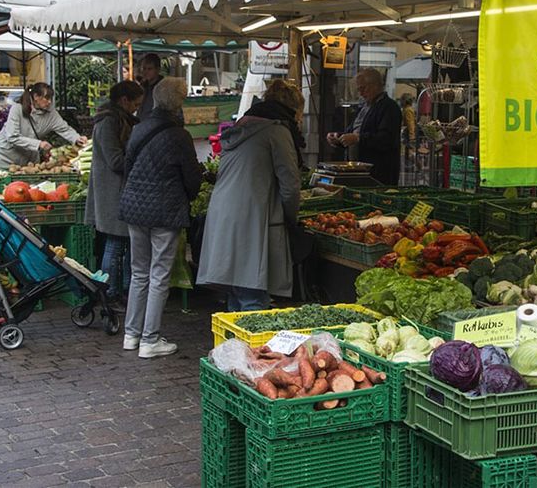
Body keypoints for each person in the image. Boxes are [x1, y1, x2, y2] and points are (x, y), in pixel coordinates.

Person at [196, 79, 304, 311]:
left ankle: (233, 346)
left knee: (237, 292)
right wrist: (290, 217)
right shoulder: (277, 131)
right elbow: (290, 185)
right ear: (293, 110)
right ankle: (249, 347)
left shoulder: (242, 125)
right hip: (252, 218)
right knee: (253, 296)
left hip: (223, 214)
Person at [118, 78, 202, 358]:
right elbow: (193, 180)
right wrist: (187, 197)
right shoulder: (180, 136)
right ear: (178, 102)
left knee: (139, 272)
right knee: (159, 275)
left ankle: (131, 334)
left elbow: (128, 167)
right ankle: (150, 340)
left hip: (134, 208)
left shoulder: (139, 128)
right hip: (165, 210)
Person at [85, 80, 144, 304]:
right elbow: (115, 161)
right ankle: (108, 292)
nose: (136, 108)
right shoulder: (108, 122)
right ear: (123, 100)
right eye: (135, 103)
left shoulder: (120, 119)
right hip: (112, 193)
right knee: (115, 243)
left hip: (119, 192)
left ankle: (125, 292)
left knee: (125, 244)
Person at [327, 68, 402, 185]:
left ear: (376, 86)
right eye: (359, 89)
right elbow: (352, 132)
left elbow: (386, 139)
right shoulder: (364, 107)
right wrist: (338, 138)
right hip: (358, 171)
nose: (361, 93)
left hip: (378, 174)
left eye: (363, 88)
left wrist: (358, 138)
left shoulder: (389, 108)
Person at [0, 82, 86, 169]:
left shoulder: (51, 113)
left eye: (50, 98)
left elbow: (65, 129)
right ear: (36, 97)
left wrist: (77, 139)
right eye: (46, 98)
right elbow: (12, 137)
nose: (49, 101)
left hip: (28, 163)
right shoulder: (17, 109)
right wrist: (39, 144)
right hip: (4, 159)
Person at [136, 53, 164, 121]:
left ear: (157, 69)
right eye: (144, 68)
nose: (145, 72)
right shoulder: (141, 86)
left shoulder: (164, 88)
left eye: (149, 69)